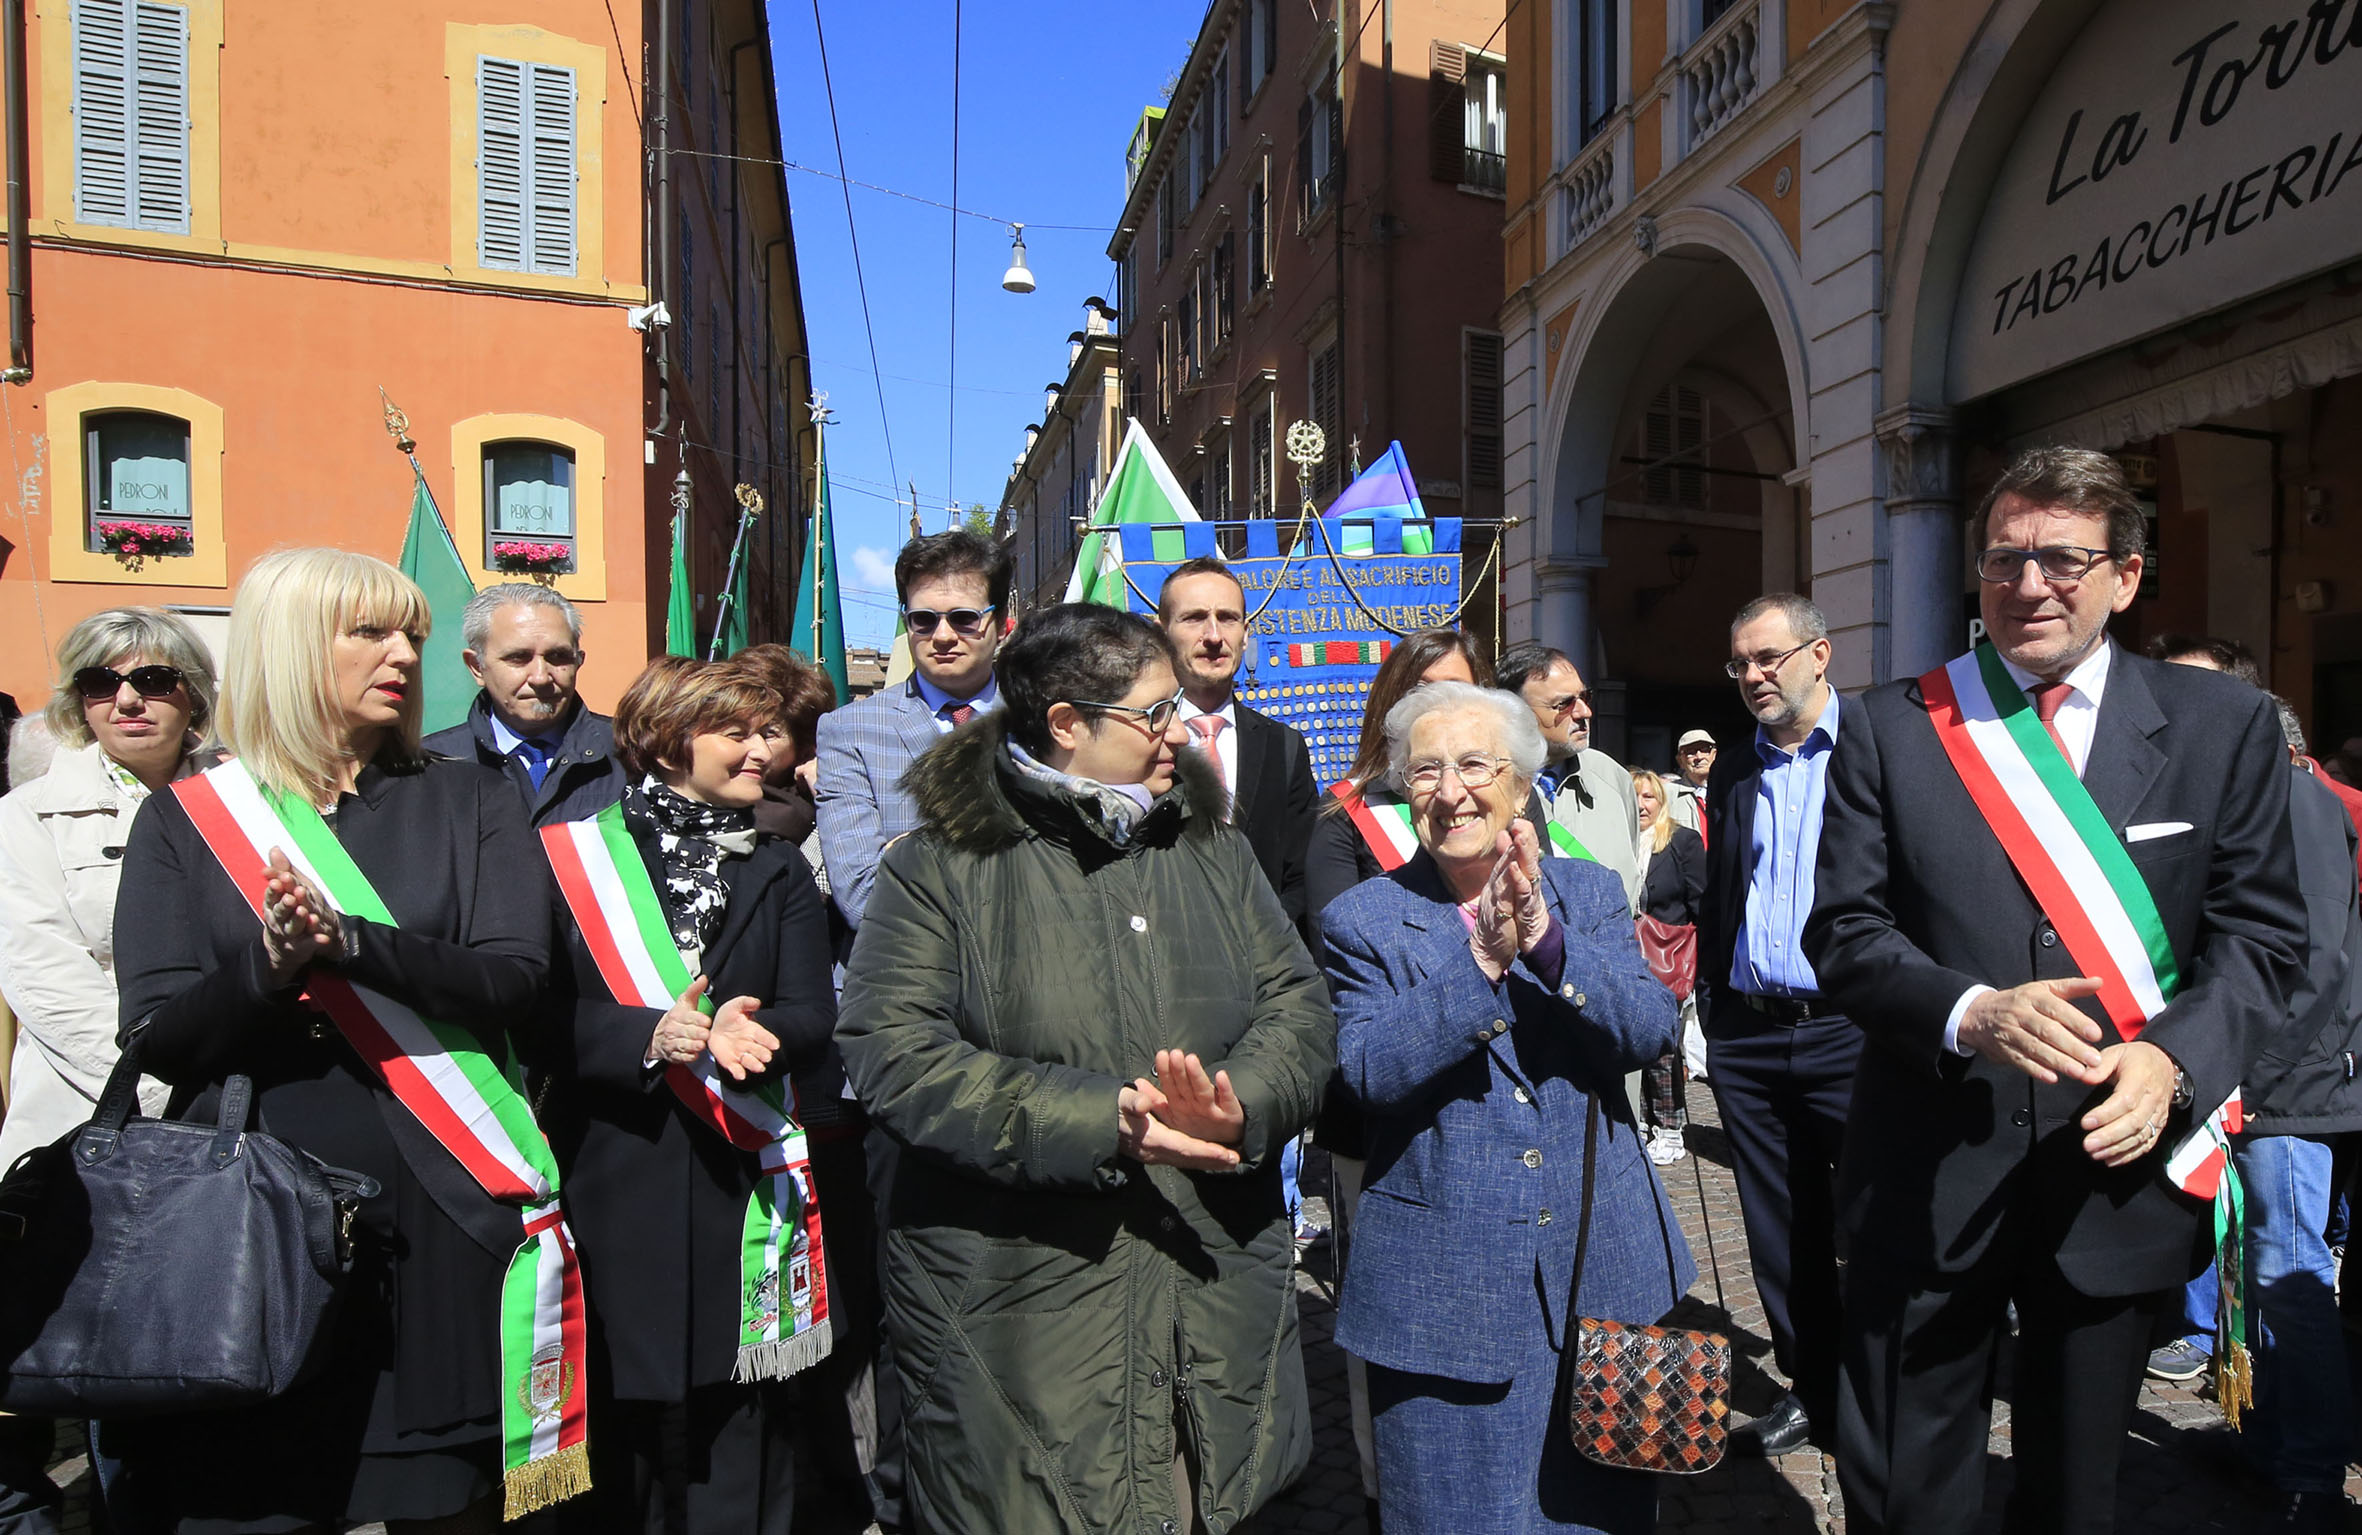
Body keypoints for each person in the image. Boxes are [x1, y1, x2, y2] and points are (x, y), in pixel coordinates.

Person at [1805, 447, 2305, 1535]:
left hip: (2113, 1176)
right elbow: (1842, 930)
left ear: (2125, 576)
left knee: (2077, 1494)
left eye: (2063, 559)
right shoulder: (1891, 723)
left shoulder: (2221, 725)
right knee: (1903, 1490)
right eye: (2004, 558)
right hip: (1929, 1170)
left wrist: (2173, 1059)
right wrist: (1965, 1010)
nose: (2029, 584)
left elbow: (2264, 939)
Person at [835, 604, 1332, 1534]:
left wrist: (1242, 1106)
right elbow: (892, 1050)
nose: (1180, 732)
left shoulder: (1212, 845)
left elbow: (1297, 1006)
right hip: (1024, 1312)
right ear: (1067, 723)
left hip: (1212, 1281)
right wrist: (1102, 1121)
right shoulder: (939, 863)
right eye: (1154, 713)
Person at [110, 548, 570, 1531]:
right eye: (369, 631)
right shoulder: (188, 819)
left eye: (410, 633)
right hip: (246, 1237)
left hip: (439, 1215)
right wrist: (268, 964)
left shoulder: (470, 798)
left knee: (444, 1504)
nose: (403, 654)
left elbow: (514, 981)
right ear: (286, 644)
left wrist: (351, 943)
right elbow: (158, 1036)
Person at [1321, 680, 1693, 1535]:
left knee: (1603, 1516)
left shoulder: (1587, 893)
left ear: (1521, 785)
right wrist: (1481, 962)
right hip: (1440, 1290)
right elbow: (1371, 1071)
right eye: (1425, 770)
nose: (1450, 791)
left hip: (1601, 1268)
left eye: (1474, 765)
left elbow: (1649, 1028)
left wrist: (1550, 947)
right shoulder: (1363, 919)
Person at [539, 655, 836, 1534]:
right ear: (670, 742)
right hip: (611, 1167)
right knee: (616, 1426)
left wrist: (752, 1033)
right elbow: (534, 1009)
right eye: (736, 733)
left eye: (766, 732)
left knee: (741, 1424)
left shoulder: (778, 867)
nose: (763, 752)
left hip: (735, 1177)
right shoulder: (568, 856)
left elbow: (813, 1013)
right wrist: (648, 1035)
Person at [0, 607, 216, 1534]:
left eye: (153, 679)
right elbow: (45, 979)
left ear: (193, 694)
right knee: (116, 1372)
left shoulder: (244, 796)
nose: (127, 699)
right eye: (101, 682)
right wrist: (167, 1084)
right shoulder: (28, 815)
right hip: (95, 1132)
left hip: (230, 1124)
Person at [810, 530, 1009, 1534]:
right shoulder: (851, 729)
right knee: (904, 1295)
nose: (942, 634)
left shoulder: (1047, 722)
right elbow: (859, 888)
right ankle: (901, 1499)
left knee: (1018, 1287)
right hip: (905, 1058)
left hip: (1028, 1049)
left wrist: (913, 843)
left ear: (1000, 622)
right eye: (922, 618)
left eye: (962, 616)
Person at [1690, 593, 1857, 1458]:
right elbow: (1727, 888)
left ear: (1819, 653)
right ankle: (1813, 1385)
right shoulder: (1734, 769)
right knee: (1780, 1225)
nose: (1753, 675)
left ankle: (1881, 1387)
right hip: (1751, 1032)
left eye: (1768, 657)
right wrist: (1715, 1006)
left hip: (1851, 1030)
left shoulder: (1875, 750)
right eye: (1740, 663)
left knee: (1876, 1216)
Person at [1156, 554, 1320, 941]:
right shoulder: (1142, 741)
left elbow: (1302, 874)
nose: (1214, 636)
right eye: (1194, 618)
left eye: (1227, 618)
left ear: (1245, 634)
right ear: (1161, 633)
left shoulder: (1284, 746)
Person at [1306, 626, 1496, 929]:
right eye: (1420, 689)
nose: (1436, 703)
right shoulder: (1345, 808)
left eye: (1455, 690)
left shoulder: (1507, 791)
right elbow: (1333, 936)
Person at [423, 583, 628, 825]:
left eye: (558, 656)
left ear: (578, 661)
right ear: (477, 667)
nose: (541, 677)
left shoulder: (632, 754)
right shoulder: (432, 766)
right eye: (518, 658)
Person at [1494, 643, 1645, 914]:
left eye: (1585, 697)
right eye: (1564, 704)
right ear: (1516, 712)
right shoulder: (1487, 785)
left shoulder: (1612, 777)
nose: (1584, 712)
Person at [1631, 768, 1703, 1167]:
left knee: (1662, 1046)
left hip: (1667, 957)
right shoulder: (1620, 840)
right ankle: (1640, 1119)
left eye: (1649, 797)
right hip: (1626, 957)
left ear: (1662, 802)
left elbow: (1700, 902)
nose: (1641, 805)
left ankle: (1670, 1126)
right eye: (1635, 796)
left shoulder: (1681, 841)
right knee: (1631, 1042)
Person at [1667, 730, 1713, 839]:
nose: (1699, 757)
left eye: (1705, 750)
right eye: (1690, 752)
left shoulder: (1727, 791)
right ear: (1680, 761)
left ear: (1714, 755)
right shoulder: (1667, 794)